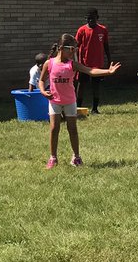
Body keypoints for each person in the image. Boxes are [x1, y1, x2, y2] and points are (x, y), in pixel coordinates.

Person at [39, 33, 120, 169]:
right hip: (54, 101)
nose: (74, 52)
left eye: (75, 49)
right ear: (61, 48)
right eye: (72, 49)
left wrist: (108, 71)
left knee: (73, 129)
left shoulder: (72, 64)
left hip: (70, 101)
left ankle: (76, 157)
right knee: (54, 128)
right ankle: (53, 157)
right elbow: (41, 80)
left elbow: (90, 71)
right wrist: (42, 91)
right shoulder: (49, 63)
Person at [75, 10, 112, 113]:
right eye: (88, 18)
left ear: (97, 18)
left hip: (98, 64)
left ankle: (95, 108)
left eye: (93, 18)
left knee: (96, 85)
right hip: (84, 64)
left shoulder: (103, 30)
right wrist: (75, 61)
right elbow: (76, 46)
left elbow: (106, 46)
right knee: (81, 85)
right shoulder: (82, 30)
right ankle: (78, 108)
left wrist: (109, 60)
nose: (90, 20)